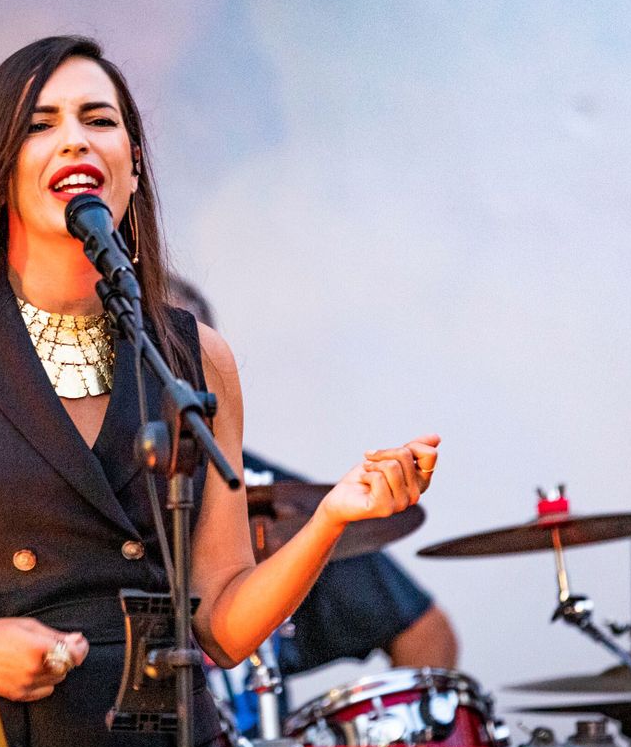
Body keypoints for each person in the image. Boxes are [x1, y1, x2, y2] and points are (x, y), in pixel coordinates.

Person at [0, 35, 440, 747]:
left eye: (98, 119)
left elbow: (223, 624)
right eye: (40, 124)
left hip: (167, 744)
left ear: (133, 165)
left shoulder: (194, 357)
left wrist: (334, 514)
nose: (74, 138)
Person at [163, 277, 459, 676]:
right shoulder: (81, 489)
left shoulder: (269, 497)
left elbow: (426, 633)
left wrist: (404, 733)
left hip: (233, 737)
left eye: (186, 359)